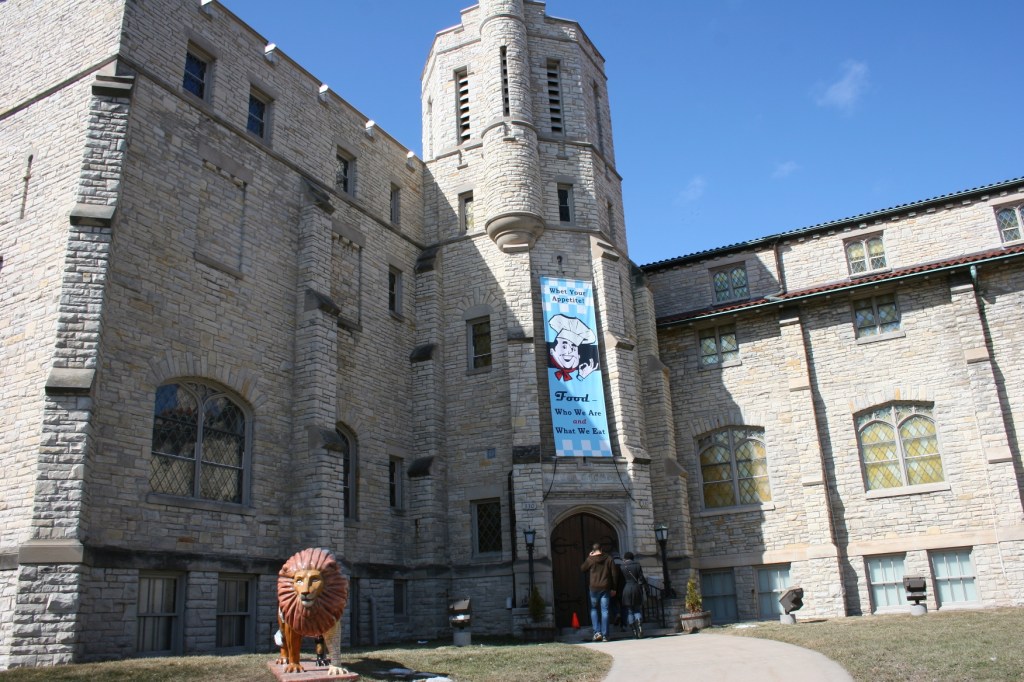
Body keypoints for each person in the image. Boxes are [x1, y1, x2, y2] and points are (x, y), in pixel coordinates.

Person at [580, 543, 619, 641]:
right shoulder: (609, 558)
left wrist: (589, 556)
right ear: (601, 549)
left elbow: (582, 568)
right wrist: (614, 588)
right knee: (604, 610)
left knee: (594, 609)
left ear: (593, 550)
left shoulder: (591, 559)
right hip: (605, 587)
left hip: (594, 588)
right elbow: (614, 574)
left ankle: (597, 632)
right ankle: (605, 635)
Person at [620, 552, 647, 638]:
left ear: (625, 558)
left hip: (626, 589)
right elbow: (641, 578)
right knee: (637, 609)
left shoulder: (622, 567)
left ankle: (634, 630)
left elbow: (621, 580)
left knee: (629, 611)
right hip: (636, 588)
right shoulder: (637, 565)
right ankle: (639, 623)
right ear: (632, 558)